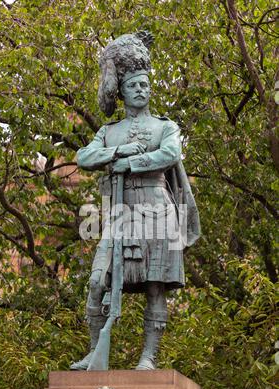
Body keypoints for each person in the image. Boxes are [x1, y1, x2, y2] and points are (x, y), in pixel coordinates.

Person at [70, 32, 200, 371]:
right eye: (134, 86)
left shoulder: (165, 126)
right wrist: (117, 152)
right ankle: (94, 352)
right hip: (119, 216)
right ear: (123, 91)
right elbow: (84, 157)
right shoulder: (108, 132)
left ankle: (148, 357)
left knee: (155, 287)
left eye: (145, 84)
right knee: (98, 282)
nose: (141, 90)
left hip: (158, 211)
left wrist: (132, 163)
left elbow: (171, 154)